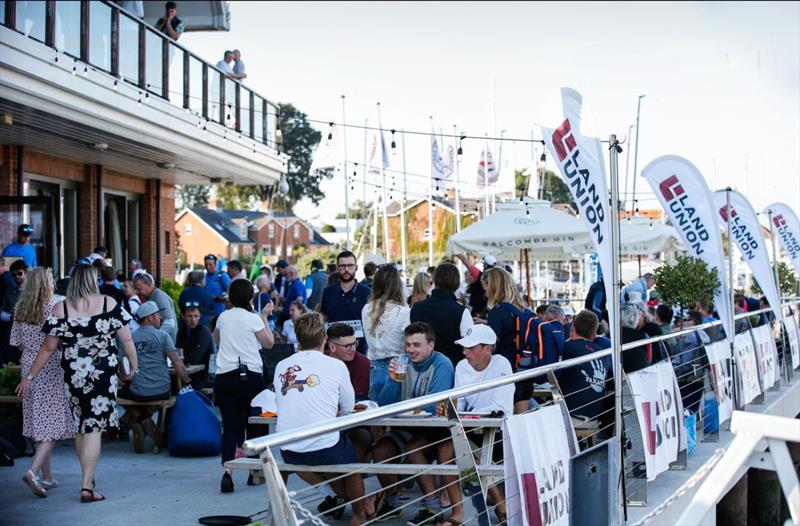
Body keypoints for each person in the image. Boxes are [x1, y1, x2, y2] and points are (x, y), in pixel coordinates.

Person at [16, 264, 138, 503]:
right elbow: (127, 339)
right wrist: (133, 368)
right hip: (103, 373)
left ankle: (88, 481)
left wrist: (29, 376)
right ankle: (86, 486)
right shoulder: (109, 303)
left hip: (74, 374)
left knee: (82, 426)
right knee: (94, 428)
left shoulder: (61, 308)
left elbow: (49, 347)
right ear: (94, 280)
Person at [274, 313, 371, 525]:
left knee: (305, 456)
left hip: (287, 447)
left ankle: (334, 494)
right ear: (325, 337)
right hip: (323, 445)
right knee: (353, 465)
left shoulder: (281, 365)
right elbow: (348, 408)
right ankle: (359, 514)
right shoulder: (336, 366)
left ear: (299, 339)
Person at [373, 322, 457, 524]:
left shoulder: (442, 365)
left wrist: (403, 408)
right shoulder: (401, 362)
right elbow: (384, 404)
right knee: (380, 451)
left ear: (431, 345)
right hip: (406, 426)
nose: (411, 350)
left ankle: (432, 506)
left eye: (416, 345)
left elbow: (433, 406)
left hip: (435, 430)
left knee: (414, 448)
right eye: (408, 344)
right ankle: (392, 502)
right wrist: (393, 381)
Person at [11, 268, 74, 497]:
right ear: (47, 283)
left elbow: (16, 343)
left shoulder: (20, 308)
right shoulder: (55, 307)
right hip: (50, 365)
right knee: (54, 425)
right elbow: (62, 341)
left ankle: (47, 478)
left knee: (39, 423)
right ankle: (32, 471)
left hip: (28, 363)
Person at [214, 278, 274, 493]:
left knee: (229, 427)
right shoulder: (253, 319)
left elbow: (217, 340)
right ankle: (254, 472)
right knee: (255, 423)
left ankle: (227, 472)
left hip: (225, 376)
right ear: (250, 297)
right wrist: (265, 317)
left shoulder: (222, 317)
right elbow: (268, 343)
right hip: (250, 376)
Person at [119, 301, 190, 453]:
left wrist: (126, 377)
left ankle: (139, 419)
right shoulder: (163, 335)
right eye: (158, 315)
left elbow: (124, 371)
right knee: (163, 395)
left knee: (117, 394)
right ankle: (147, 423)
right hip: (162, 389)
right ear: (150, 317)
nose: (160, 318)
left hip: (138, 391)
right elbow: (177, 362)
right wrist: (187, 381)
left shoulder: (130, 338)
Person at [482, 266, 535, 413]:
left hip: (505, 371)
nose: (485, 292)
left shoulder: (497, 313)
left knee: (507, 424)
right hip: (524, 367)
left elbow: (492, 346)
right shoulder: (524, 310)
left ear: (492, 287)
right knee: (522, 422)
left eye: (485, 287)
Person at [557, 310, 612, 434]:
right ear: (593, 334)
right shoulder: (603, 353)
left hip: (569, 418)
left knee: (531, 409)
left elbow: (549, 378)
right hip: (595, 418)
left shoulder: (566, 348)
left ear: (573, 327)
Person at [361, 264, 410, 401]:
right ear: (397, 285)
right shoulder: (404, 312)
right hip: (397, 367)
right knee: (396, 416)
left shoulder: (366, 309)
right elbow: (409, 344)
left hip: (373, 368)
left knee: (376, 414)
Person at [410, 262, 472, 367]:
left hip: (422, 368)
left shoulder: (416, 307)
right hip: (453, 369)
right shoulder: (461, 311)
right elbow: (469, 345)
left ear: (435, 280)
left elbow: (409, 339)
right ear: (456, 282)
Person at [453, 325, 514, 415]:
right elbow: (459, 403)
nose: (464, 352)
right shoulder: (461, 366)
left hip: (497, 427)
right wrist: (448, 410)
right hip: (469, 424)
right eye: (464, 346)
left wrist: (470, 414)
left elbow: (502, 408)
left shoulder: (501, 364)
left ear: (488, 348)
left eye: (471, 347)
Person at [319, 251, 371, 355]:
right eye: (343, 266)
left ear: (356, 267)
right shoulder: (328, 292)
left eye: (350, 266)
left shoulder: (367, 292)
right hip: (333, 351)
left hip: (359, 350)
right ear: (337, 268)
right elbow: (323, 319)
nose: (346, 270)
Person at [326, 323, 370, 401]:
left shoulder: (361, 362)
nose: (353, 349)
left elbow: (359, 399)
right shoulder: (321, 360)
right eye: (348, 346)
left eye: (354, 344)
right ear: (332, 347)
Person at [176, 301, 215, 388]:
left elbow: (194, 358)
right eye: (189, 316)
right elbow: (178, 353)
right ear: (183, 316)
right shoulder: (181, 331)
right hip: (186, 373)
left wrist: (179, 360)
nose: (193, 320)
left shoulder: (204, 331)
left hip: (201, 377)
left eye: (196, 316)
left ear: (200, 316)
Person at [133, 272, 177, 342]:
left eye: (139, 288)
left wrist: (153, 338)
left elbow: (169, 323)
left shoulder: (159, 296)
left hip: (169, 345)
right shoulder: (153, 296)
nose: (137, 292)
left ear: (148, 284)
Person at [620, 305, 652, 373]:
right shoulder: (644, 336)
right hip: (639, 375)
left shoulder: (613, 335)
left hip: (618, 375)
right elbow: (649, 359)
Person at [204, 254, 231, 321]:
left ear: (215, 264)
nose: (208, 267)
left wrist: (219, 297)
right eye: (206, 264)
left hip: (220, 313)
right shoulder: (203, 277)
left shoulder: (222, 275)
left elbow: (230, 292)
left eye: (210, 264)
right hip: (207, 313)